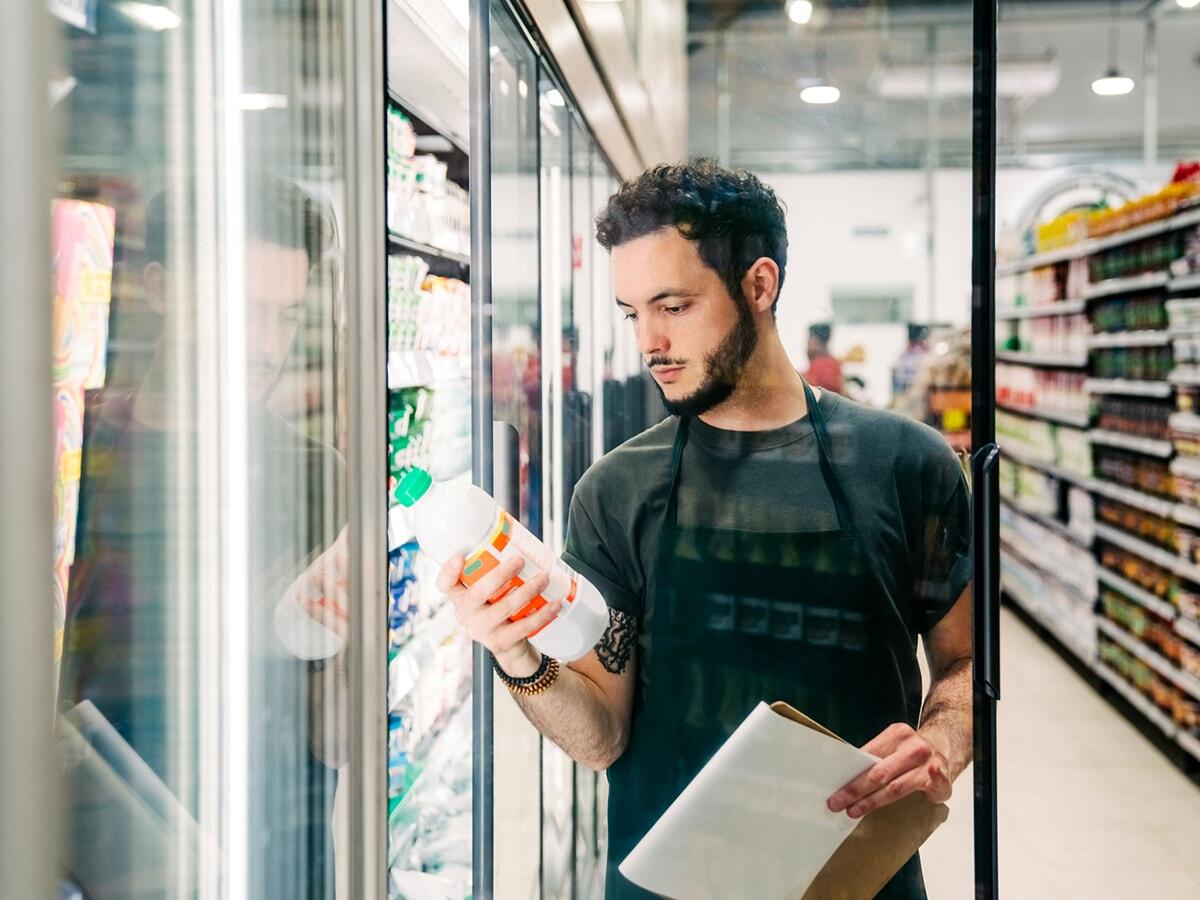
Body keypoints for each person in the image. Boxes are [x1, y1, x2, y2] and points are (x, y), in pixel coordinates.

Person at [439, 160, 973, 899]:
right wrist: (515, 651)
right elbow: (603, 738)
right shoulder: (615, 492)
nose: (649, 341)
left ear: (759, 285)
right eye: (633, 313)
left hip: (856, 876)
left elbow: (967, 664)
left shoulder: (908, 464)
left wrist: (941, 742)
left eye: (674, 305)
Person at [60, 174, 347, 899]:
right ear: (160, 289)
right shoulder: (71, 448)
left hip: (265, 859)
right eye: (242, 310)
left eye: (285, 315)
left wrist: (353, 635)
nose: (265, 345)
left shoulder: (317, 475)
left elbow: (337, 739)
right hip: (89, 857)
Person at [805, 321, 845, 394]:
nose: (806, 347)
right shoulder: (831, 362)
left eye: (808, 342)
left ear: (816, 343)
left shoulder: (823, 366)